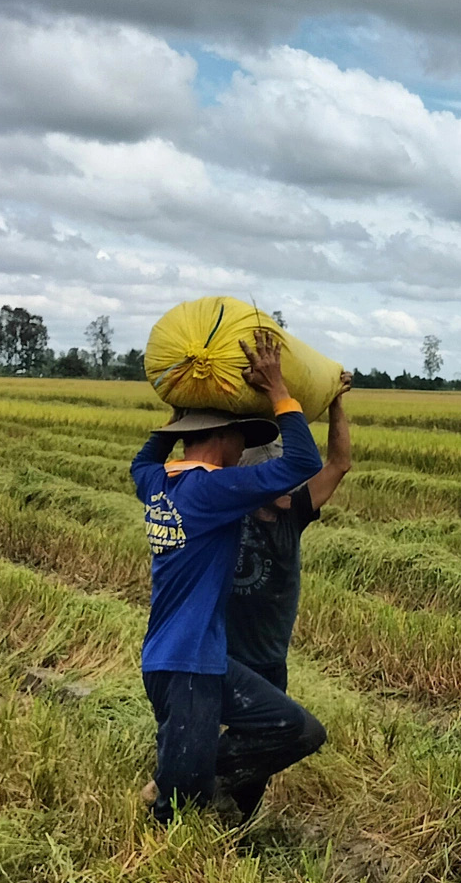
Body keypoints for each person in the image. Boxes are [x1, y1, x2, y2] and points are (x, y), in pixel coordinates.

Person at [130, 331, 327, 823]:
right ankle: (175, 797)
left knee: (298, 729)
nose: (244, 449)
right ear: (223, 437)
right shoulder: (213, 490)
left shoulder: (160, 483)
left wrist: (180, 412)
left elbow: (141, 461)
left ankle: (185, 773)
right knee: (176, 809)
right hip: (186, 668)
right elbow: (304, 462)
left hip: (198, 659)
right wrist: (279, 390)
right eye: (242, 436)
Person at [222, 369, 354, 818]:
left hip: (268, 660)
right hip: (223, 656)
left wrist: (336, 401)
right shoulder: (223, 510)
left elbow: (339, 464)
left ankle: (231, 824)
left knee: (262, 754)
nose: (288, 487)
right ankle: (182, 784)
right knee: (201, 735)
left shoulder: (294, 513)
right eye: (276, 477)